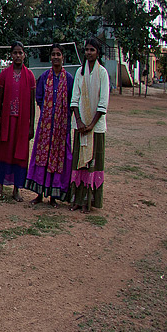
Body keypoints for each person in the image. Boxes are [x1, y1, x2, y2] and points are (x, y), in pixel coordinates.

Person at [26, 43, 74, 206]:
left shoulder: (68, 79)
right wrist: (48, 112)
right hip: (46, 127)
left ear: (63, 57)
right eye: (53, 54)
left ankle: (53, 196)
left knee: (58, 159)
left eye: (58, 54)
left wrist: (61, 116)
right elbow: (39, 97)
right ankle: (39, 194)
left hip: (61, 127)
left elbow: (71, 101)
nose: (55, 57)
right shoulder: (45, 77)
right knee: (42, 157)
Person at [0, 42, 36, 201]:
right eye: (15, 53)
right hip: (6, 121)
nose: (17, 56)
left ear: (24, 55)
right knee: (4, 152)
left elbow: (32, 104)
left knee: (20, 154)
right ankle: (0, 185)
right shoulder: (4, 74)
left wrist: (31, 126)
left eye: (20, 53)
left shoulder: (29, 76)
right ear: (11, 55)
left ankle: (16, 189)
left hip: (22, 123)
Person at [70, 37, 110, 212]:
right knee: (79, 163)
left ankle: (89, 202)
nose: (88, 52)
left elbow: (103, 103)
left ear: (97, 52)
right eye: (86, 49)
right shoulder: (80, 72)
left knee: (93, 164)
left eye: (92, 50)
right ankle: (77, 200)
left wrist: (91, 125)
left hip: (96, 127)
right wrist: (79, 121)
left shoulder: (102, 73)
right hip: (81, 127)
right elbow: (74, 99)